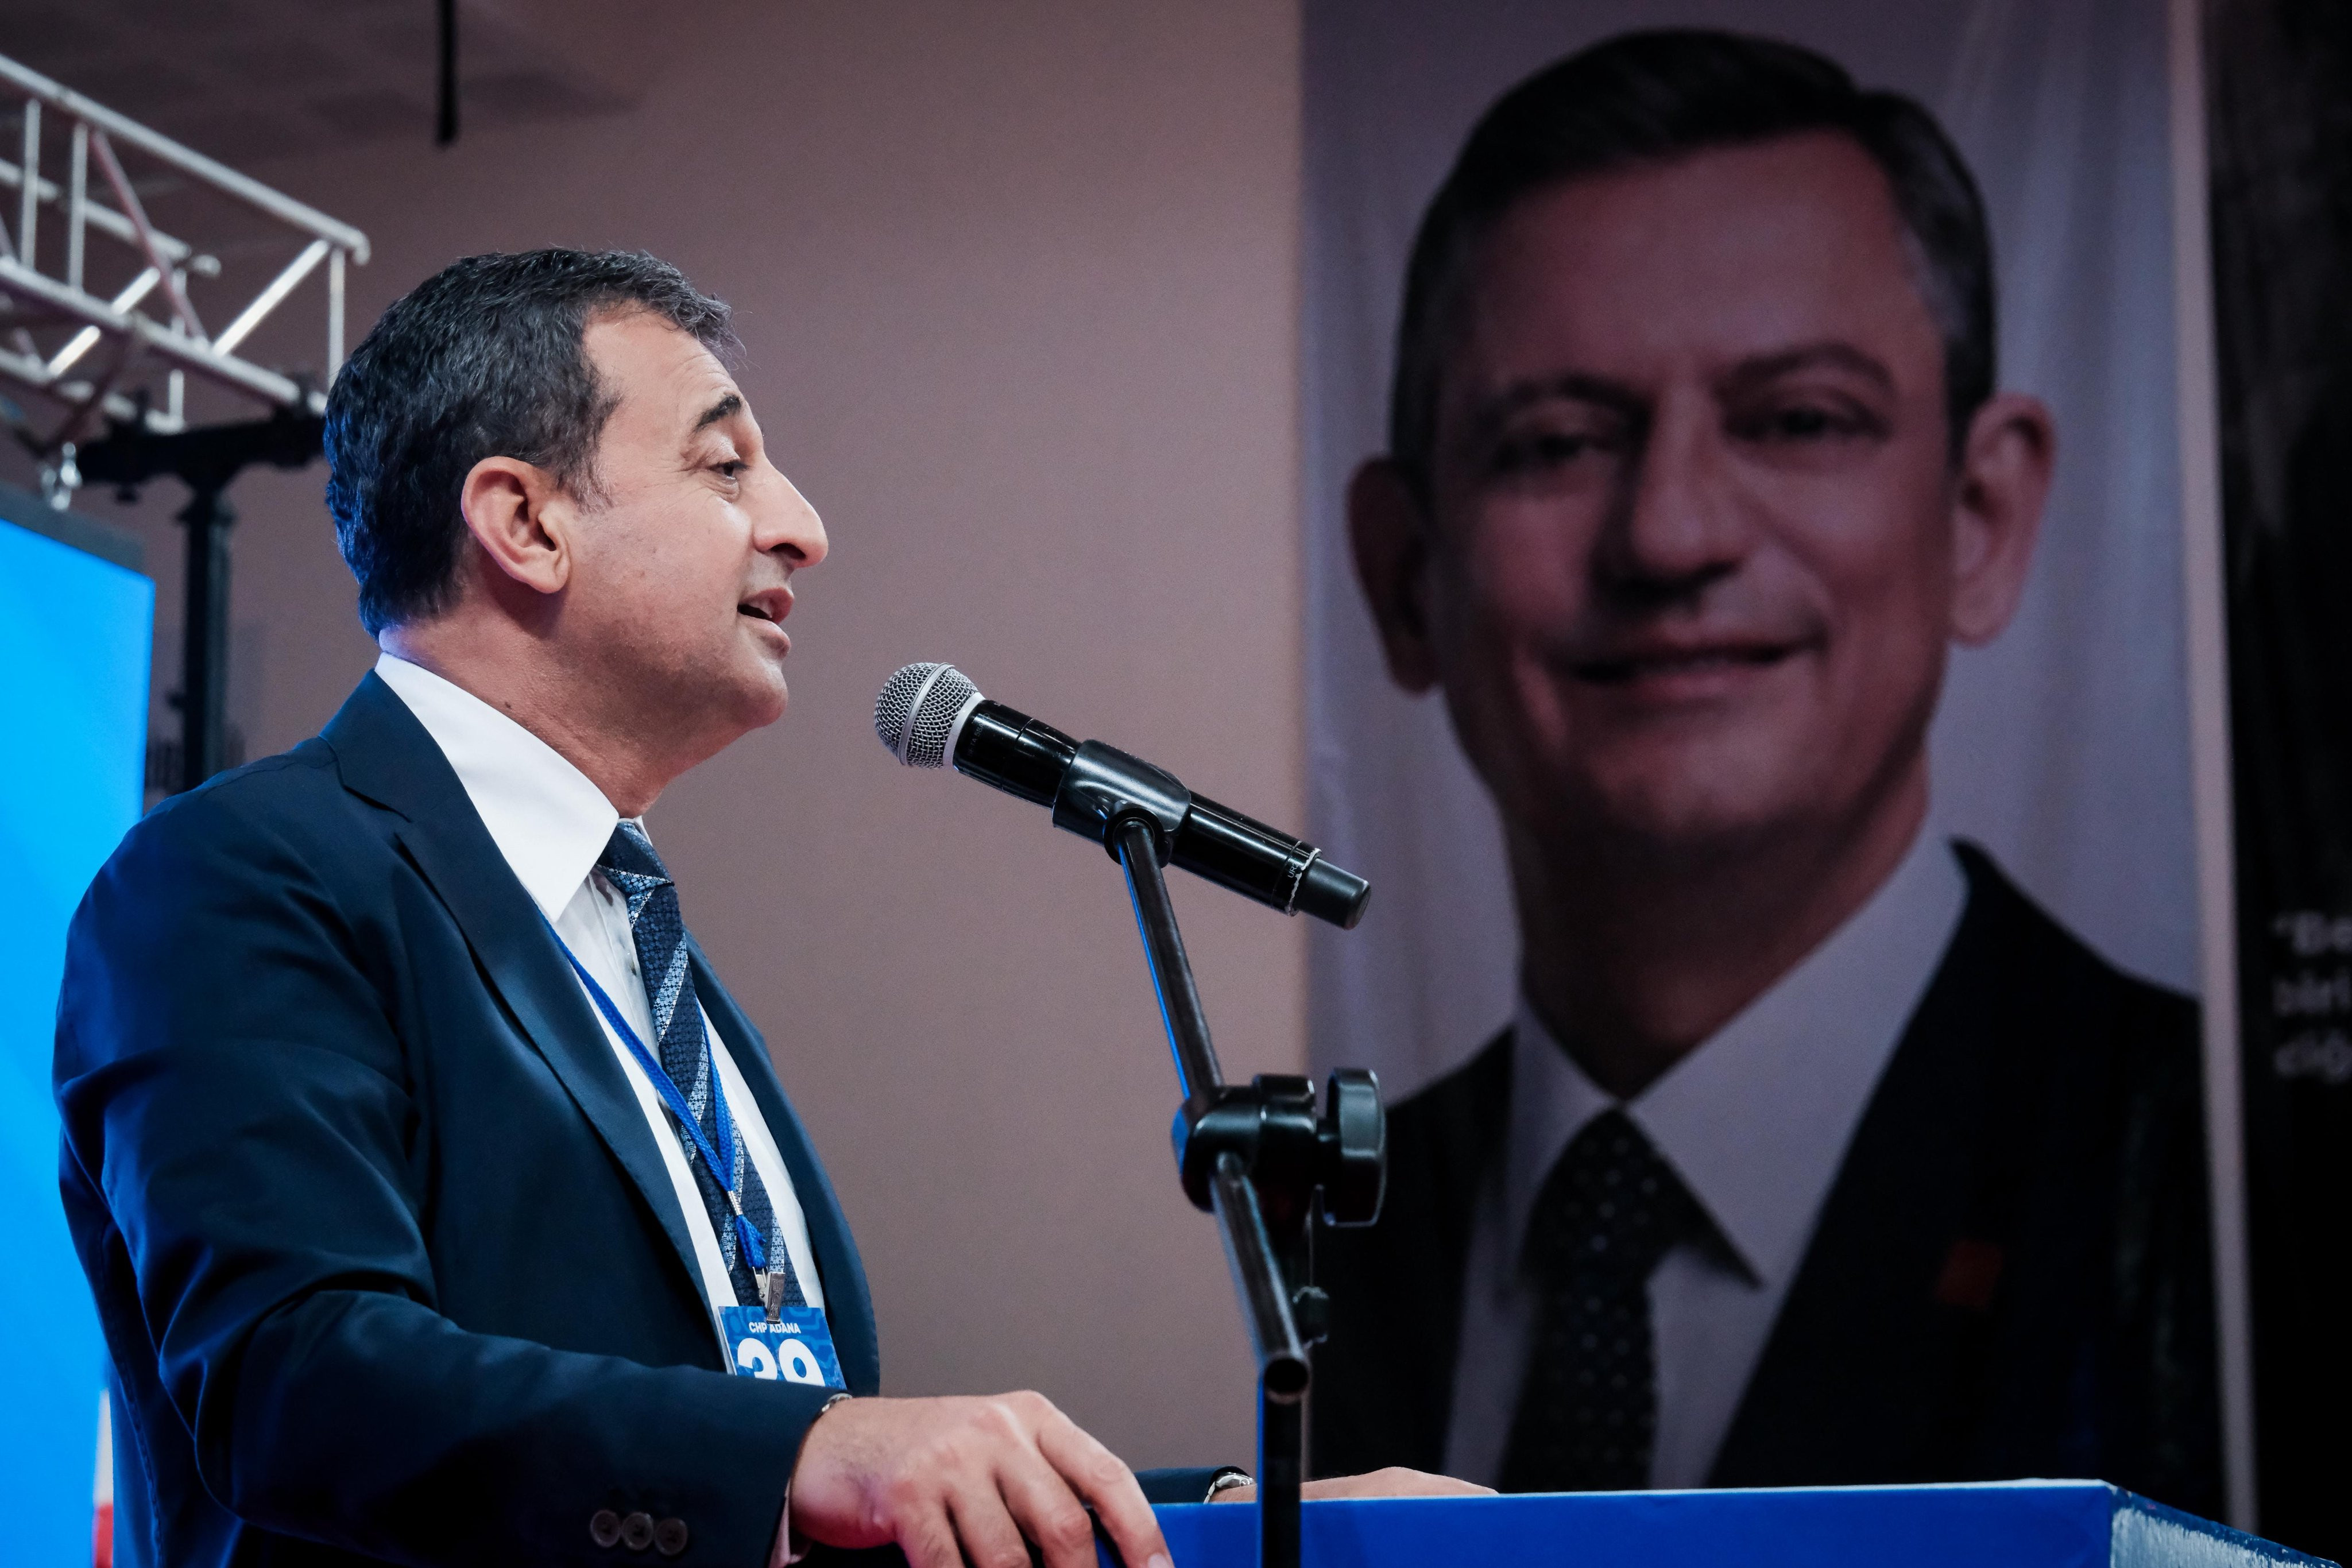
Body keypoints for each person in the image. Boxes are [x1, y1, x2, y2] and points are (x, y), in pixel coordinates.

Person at [56, 249, 1466, 1568]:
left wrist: (1237, 1524)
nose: (803, 528)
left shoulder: (633, 936)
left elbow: (800, 1473)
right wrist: (798, 1448)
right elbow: (294, 1377)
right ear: (524, 523)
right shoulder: (241, 874)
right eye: (725, 465)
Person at [1311, 30, 2221, 1515]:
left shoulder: (2222, 1179)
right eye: (1558, 441)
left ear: (1980, 515)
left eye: (1799, 419)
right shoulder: (1328, 1226)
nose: (1670, 535)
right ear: (1405, 573)